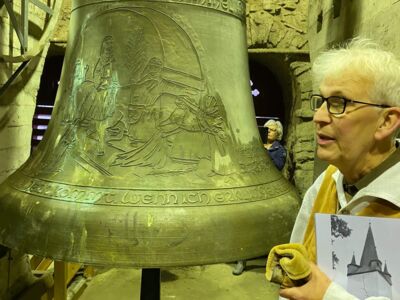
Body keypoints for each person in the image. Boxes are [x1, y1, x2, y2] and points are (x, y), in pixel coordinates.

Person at [272, 38, 400, 300]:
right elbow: (297, 272)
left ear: (386, 121)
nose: (319, 116)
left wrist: (327, 295)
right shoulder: (327, 180)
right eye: (321, 101)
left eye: (339, 103)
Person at [233, 119, 287, 276]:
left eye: (272, 130)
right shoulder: (254, 146)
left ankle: (272, 261)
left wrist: (263, 153)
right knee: (245, 225)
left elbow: (277, 166)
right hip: (252, 191)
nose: (269, 131)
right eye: (267, 129)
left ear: (278, 134)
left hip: (270, 193)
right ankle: (241, 259)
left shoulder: (279, 150)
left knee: (270, 228)